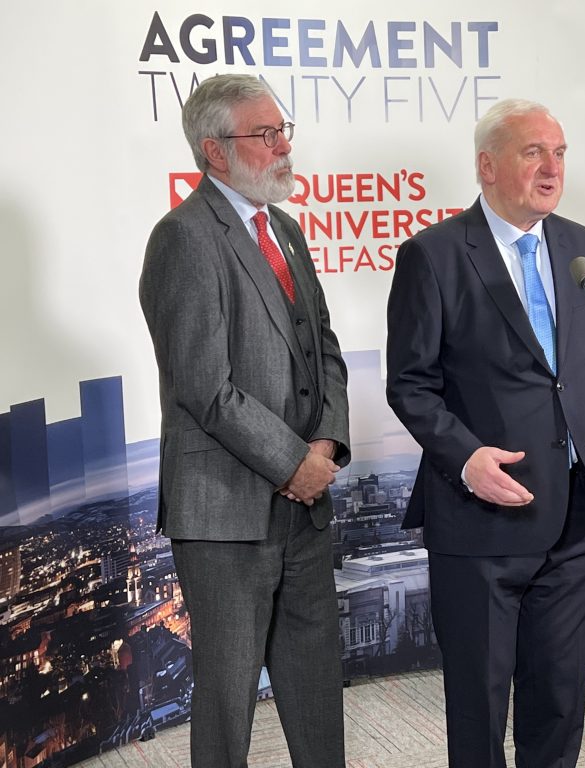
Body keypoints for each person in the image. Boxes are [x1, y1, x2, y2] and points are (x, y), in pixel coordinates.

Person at [385, 99, 585, 768]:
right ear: (487, 166)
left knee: (560, 696)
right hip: (483, 517)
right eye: (532, 153)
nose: (552, 169)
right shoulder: (433, 256)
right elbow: (410, 382)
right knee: (481, 704)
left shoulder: (583, 247)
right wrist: (466, 458)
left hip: (577, 512)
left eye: (561, 153)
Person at [139, 74, 350, 768]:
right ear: (215, 151)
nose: (284, 146)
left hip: (304, 513)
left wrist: (324, 447)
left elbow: (323, 347)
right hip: (225, 518)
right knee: (227, 705)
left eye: (283, 129)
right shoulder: (183, 239)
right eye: (266, 135)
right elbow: (206, 389)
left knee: (317, 689)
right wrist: (295, 463)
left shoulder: (284, 228)